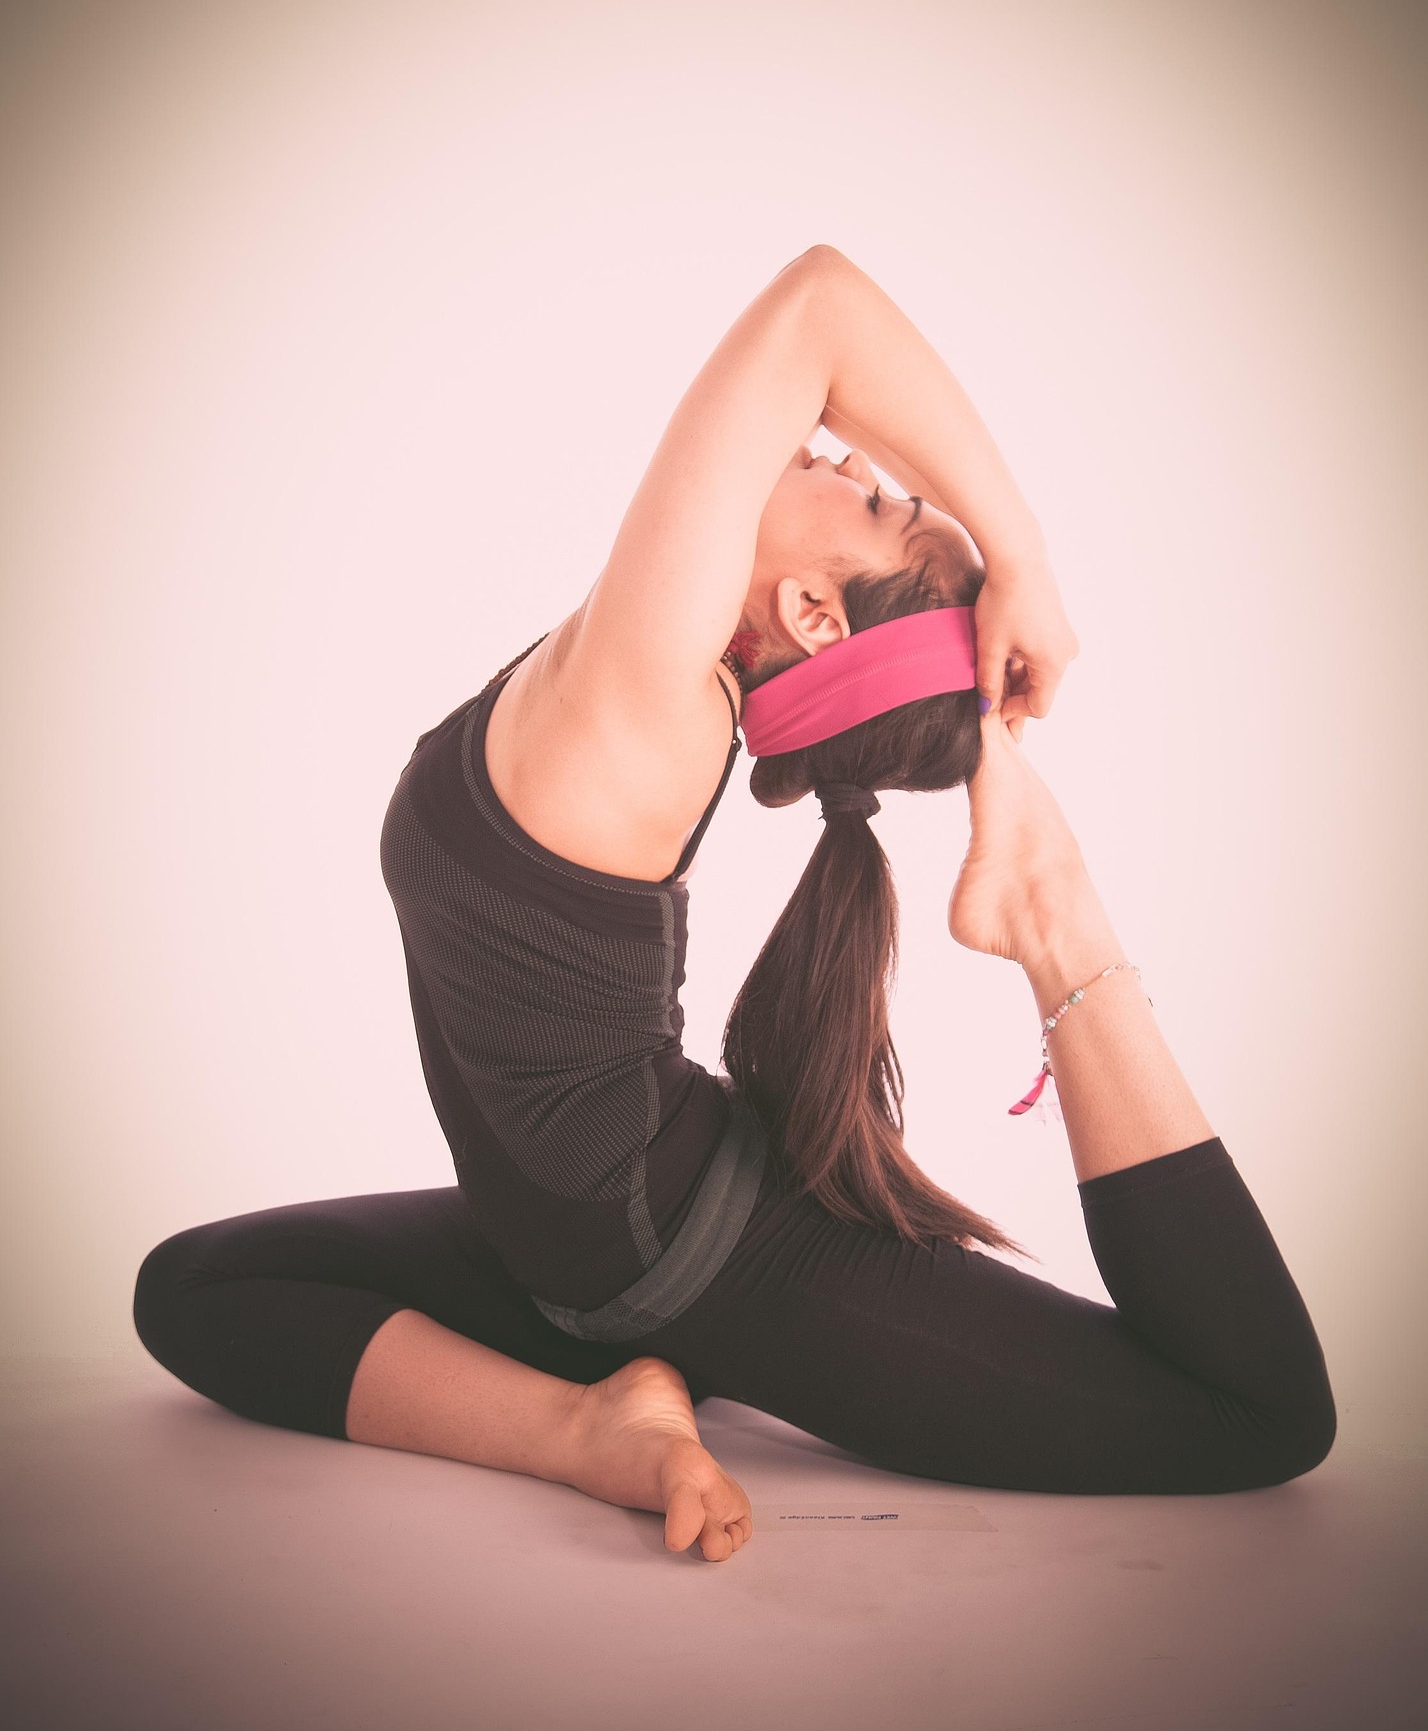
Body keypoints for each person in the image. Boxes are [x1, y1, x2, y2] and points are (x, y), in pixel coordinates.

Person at [133, 245, 1335, 1564]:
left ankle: (1055, 920)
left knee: (1249, 1416)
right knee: (197, 1286)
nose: (853, 460)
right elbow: (819, 368)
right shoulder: (640, 672)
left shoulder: (645, 703)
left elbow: (821, 307)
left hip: (709, 1257)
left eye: (880, 510)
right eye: (889, 491)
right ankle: (589, 1426)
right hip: (585, 1253)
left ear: (815, 612)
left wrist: (1020, 559)